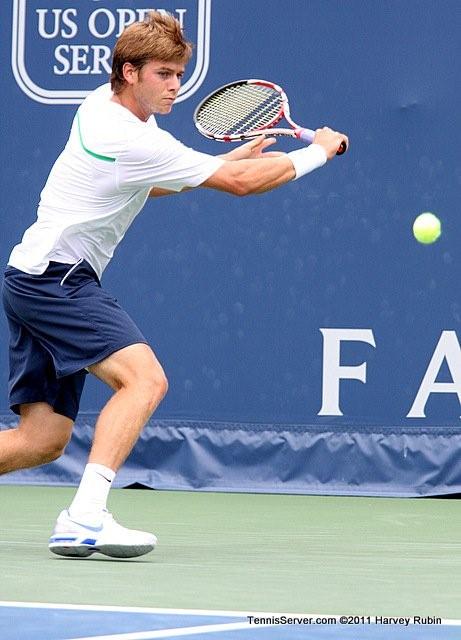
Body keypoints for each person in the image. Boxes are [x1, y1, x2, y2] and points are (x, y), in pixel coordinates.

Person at [0, 11, 348, 559]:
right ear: (128, 72)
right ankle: (86, 517)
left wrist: (217, 160)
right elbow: (235, 185)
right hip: (57, 280)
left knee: (41, 441)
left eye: (179, 74)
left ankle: (83, 515)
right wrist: (317, 152)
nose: (175, 85)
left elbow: (149, 184)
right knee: (145, 380)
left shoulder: (107, 106)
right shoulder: (124, 134)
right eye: (163, 73)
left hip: (30, 275)